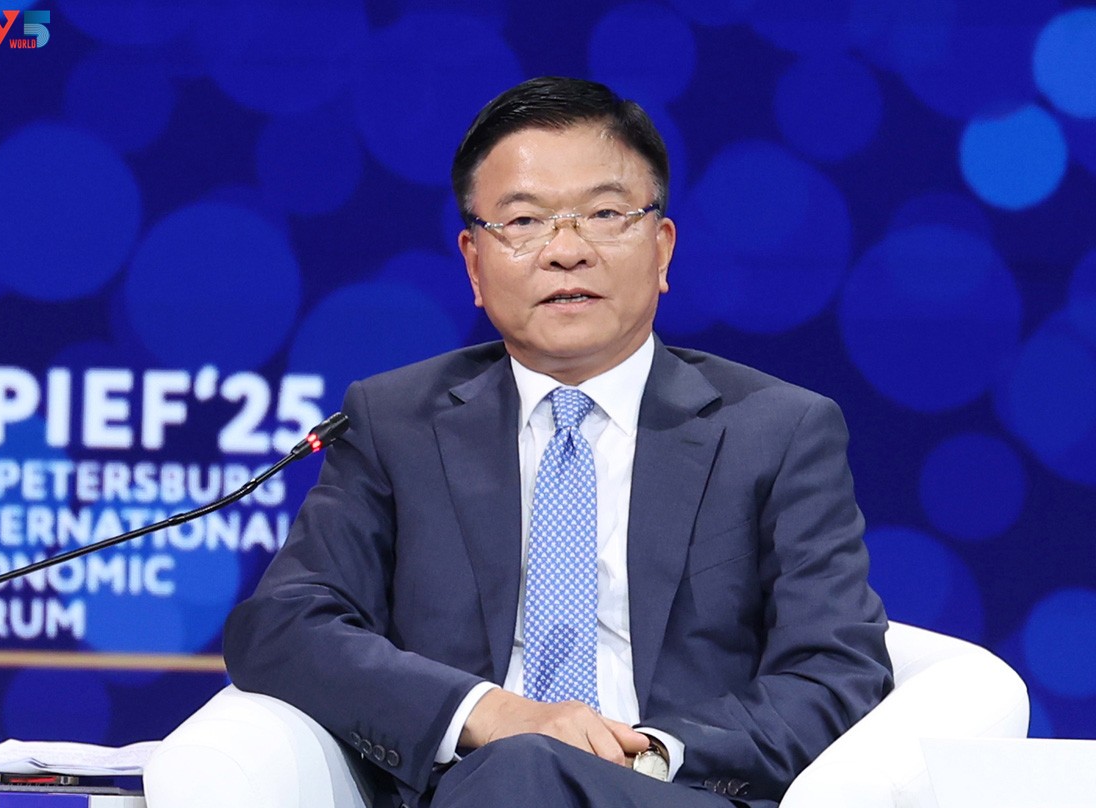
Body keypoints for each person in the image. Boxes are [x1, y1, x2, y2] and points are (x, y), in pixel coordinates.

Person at [223, 76, 893, 808]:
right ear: (474, 265)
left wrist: (652, 754)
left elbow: (834, 673)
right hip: (468, 786)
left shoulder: (777, 430)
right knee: (518, 769)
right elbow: (284, 625)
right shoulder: (393, 423)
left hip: (668, 791)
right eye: (524, 221)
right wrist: (489, 715)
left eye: (604, 214)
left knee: (530, 773)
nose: (566, 251)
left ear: (662, 250)